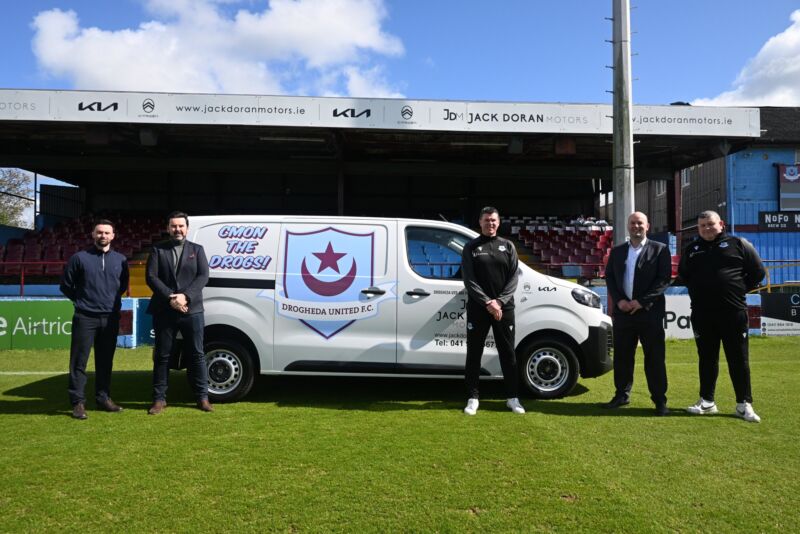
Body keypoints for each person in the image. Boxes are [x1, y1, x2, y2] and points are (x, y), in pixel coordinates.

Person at [678, 210, 766, 422]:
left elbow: (758, 273)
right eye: (702, 226)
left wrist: (737, 289)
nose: (707, 229)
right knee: (707, 359)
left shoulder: (739, 244)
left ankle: (744, 404)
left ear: (721, 224)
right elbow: (685, 275)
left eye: (710, 224)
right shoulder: (692, 249)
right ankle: (707, 401)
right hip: (702, 314)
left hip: (733, 313)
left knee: (738, 359)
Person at [603, 212, 671, 416]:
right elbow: (610, 278)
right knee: (622, 357)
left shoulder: (660, 250)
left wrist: (641, 302)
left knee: (655, 358)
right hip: (623, 313)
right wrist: (620, 301)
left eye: (640, 223)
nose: (636, 226)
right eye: (632, 223)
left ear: (647, 226)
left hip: (649, 313)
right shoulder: (617, 252)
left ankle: (660, 400)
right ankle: (621, 395)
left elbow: (663, 280)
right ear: (627, 226)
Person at [60, 219, 129, 420]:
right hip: (85, 317)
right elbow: (65, 285)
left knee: (105, 361)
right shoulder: (79, 258)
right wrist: (81, 301)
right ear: (93, 234)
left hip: (110, 318)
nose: (103, 236)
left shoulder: (121, 260)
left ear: (113, 236)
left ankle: (103, 398)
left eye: (107, 233)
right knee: (79, 362)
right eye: (99, 232)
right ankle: (78, 402)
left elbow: (122, 286)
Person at [146, 211, 212, 414]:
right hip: (165, 310)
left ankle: (202, 398)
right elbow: (151, 277)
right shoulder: (158, 249)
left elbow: (203, 276)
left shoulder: (197, 250)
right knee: (163, 356)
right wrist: (171, 298)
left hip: (192, 310)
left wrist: (185, 297)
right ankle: (159, 399)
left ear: (187, 228)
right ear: (168, 228)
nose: (177, 229)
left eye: (181, 226)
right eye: (173, 226)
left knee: (197, 355)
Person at [461, 207, 525, 415]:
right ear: (480, 222)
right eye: (487, 220)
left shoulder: (508, 246)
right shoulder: (471, 247)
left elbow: (514, 278)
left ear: (498, 223)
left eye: (494, 220)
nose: (490, 223)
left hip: (504, 309)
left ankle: (512, 398)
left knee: (508, 353)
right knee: (474, 353)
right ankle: (472, 397)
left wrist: (499, 301)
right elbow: (469, 280)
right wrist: (488, 302)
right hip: (479, 308)